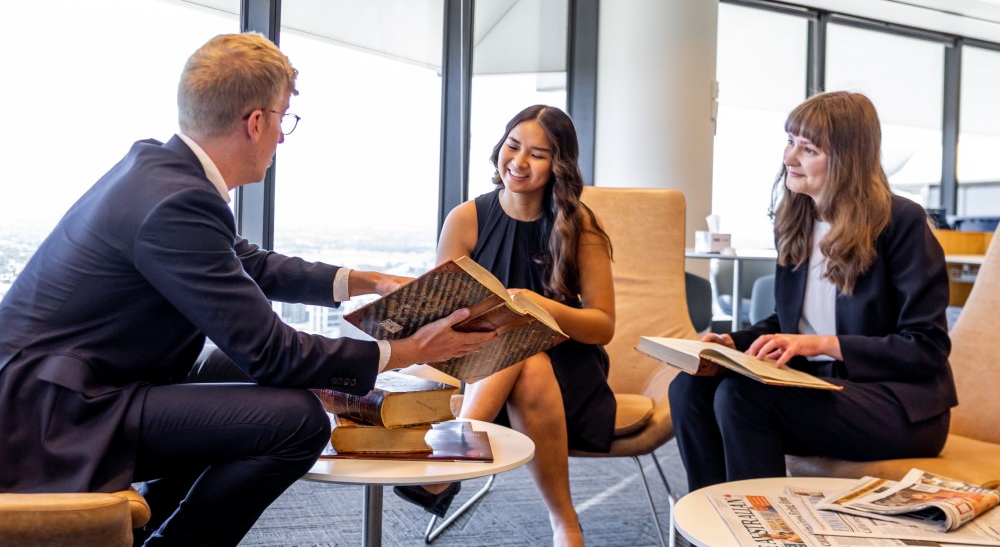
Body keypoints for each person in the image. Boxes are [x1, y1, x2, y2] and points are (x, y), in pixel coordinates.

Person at [0, 32, 496, 546]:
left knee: (228, 367)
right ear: (255, 122)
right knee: (297, 422)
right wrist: (405, 352)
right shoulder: (176, 204)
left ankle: (160, 520)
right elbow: (272, 353)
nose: (282, 137)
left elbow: (246, 261)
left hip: (71, 386)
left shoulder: (162, 171)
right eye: (284, 119)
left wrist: (368, 282)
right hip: (56, 414)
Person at [669, 90, 957, 492]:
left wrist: (818, 344)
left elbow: (925, 347)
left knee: (743, 398)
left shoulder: (900, 222)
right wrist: (732, 343)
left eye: (808, 149)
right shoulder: (798, 219)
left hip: (898, 407)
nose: (789, 159)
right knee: (691, 386)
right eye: (790, 142)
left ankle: (763, 530)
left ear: (846, 160)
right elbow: (791, 324)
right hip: (819, 390)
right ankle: (715, 521)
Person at [393, 105, 616, 547]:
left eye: (537, 154)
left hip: (570, 373)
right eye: (512, 147)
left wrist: (538, 308)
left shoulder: (580, 227)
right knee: (518, 347)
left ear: (559, 165)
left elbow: (603, 326)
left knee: (525, 347)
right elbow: (440, 311)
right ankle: (565, 522)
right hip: (477, 365)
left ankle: (451, 460)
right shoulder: (466, 218)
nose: (518, 162)